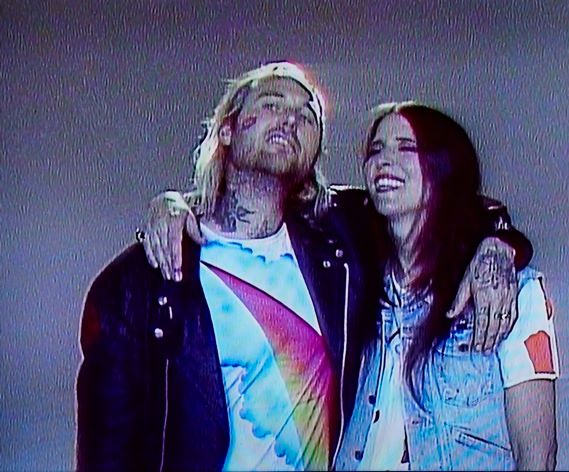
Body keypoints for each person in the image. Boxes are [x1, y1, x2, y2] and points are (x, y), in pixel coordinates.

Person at [77, 62, 531, 471]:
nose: (290, 119)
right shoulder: (137, 283)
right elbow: (107, 450)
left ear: (315, 153)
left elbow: (448, 206)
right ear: (227, 130)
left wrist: (497, 246)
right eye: (272, 104)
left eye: (307, 116)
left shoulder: (341, 241)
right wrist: (171, 203)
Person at [332, 103, 559, 471]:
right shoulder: (352, 286)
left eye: (406, 147)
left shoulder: (515, 292)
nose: (384, 160)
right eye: (376, 149)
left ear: (442, 167)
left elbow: (537, 454)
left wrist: (500, 243)